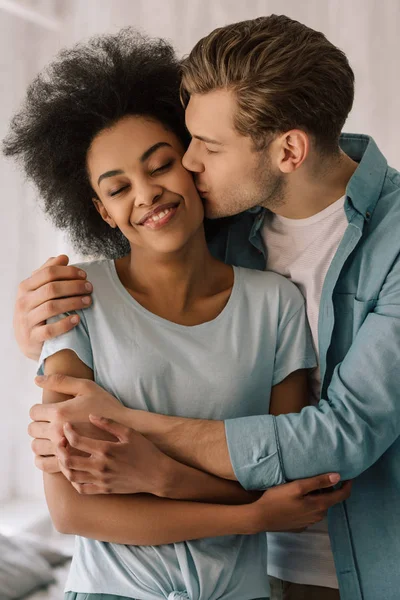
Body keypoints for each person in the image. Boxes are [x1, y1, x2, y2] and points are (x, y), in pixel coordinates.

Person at [11, 13, 398, 600]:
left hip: (360, 561)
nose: (187, 165)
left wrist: (140, 443)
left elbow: (341, 436)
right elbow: (138, 301)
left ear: (288, 150)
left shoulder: (365, 254)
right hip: (251, 563)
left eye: (204, 148)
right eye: (185, 142)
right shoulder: (222, 216)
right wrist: (32, 330)